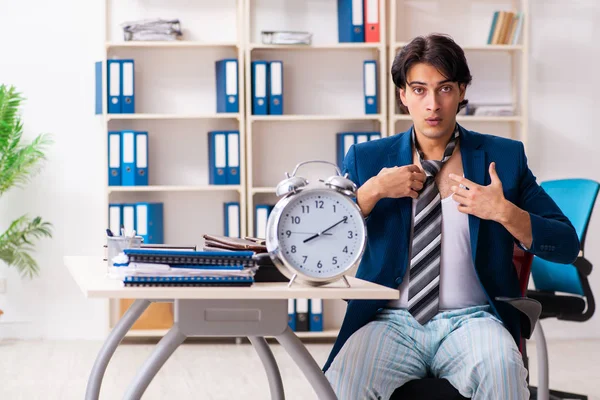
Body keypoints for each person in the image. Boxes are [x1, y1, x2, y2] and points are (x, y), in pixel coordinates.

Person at [323, 33, 580, 400]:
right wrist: (371, 192)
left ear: (461, 91)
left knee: (503, 372)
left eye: (444, 89)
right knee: (344, 379)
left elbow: (566, 245)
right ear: (403, 95)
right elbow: (323, 241)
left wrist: (503, 211)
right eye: (419, 89)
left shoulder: (504, 157)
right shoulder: (367, 160)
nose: (432, 104)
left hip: (474, 319)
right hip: (389, 322)